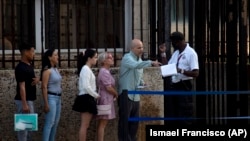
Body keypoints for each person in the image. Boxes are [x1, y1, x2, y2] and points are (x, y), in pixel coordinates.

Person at [118, 39, 161, 141]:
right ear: (132, 49)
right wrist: (151, 62)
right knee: (124, 123)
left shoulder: (140, 60)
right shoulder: (127, 58)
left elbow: (139, 76)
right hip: (126, 95)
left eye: (142, 47)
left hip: (136, 96)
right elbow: (135, 66)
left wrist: (142, 83)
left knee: (134, 124)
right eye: (139, 48)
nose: (141, 49)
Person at [164, 31, 199, 125]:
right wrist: (163, 54)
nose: (172, 44)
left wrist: (181, 71)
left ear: (178, 42)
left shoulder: (191, 53)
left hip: (184, 86)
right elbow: (168, 66)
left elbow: (196, 73)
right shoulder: (176, 53)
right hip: (174, 85)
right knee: (174, 113)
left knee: (184, 113)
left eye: (173, 42)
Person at [72, 48, 100, 141]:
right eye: (95, 57)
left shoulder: (87, 69)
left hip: (88, 97)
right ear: (89, 58)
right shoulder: (85, 69)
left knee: (85, 125)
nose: (96, 59)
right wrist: (96, 95)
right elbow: (86, 86)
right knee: (84, 125)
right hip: (86, 98)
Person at [14, 42, 39, 141]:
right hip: (24, 102)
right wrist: (24, 104)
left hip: (30, 101)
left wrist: (37, 79)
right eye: (32, 51)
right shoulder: (20, 68)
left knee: (29, 130)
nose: (34, 54)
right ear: (25, 52)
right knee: (23, 131)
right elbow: (22, 86)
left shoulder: (29, 65)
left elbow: (30, 80)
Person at [40, 49, 62, 141]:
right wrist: (46, 103)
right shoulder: (47, 71)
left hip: (58, 98)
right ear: (50, 57)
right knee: (49, 123)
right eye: (55, 55)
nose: (58, 57)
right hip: (51, 98)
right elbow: (44, 87)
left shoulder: (55, 69)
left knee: (55, 123)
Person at [96, 52, 118, 141]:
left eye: (112, 57)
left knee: (103, 123)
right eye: (109, 57)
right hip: (105, 99)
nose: (112, 59)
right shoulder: (104, 72)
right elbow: (108, 87)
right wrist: (116, 93)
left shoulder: (106, 71)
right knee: (103, 124)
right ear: (104, 61)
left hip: (107, 98)